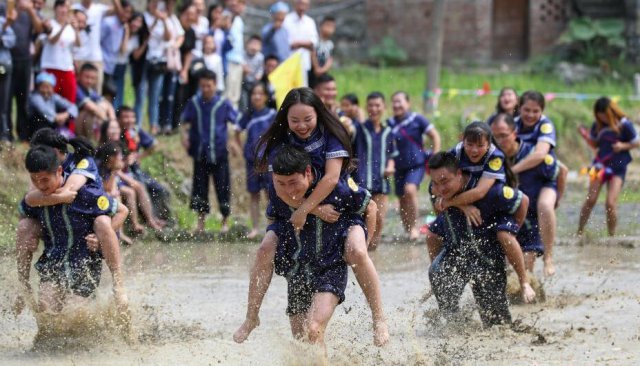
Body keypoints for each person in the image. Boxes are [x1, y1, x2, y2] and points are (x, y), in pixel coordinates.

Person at [235, 88, 389, 347]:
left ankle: (379, 318)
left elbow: (332, 179)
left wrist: (366, 241)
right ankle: (251, 317)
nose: (301, 126)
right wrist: (312, 210)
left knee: (356, 252)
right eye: (295, 121)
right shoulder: (281, 145)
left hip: (336, 217)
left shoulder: (332, 145)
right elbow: (278, 187)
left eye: (307, 119)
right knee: (265, 251)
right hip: (294, 222)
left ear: (318, 114)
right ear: (286, 119)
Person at [16, 144, 129, 315]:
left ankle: (118, 287)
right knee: (46, 312)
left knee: (73, 315)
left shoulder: (85, 194)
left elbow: (122, 211)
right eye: (34, 180)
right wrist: (31, 237)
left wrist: (99, 239)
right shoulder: (37, 200)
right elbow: (23, 216)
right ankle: (23, 288)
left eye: (45, 179)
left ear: (59, 171)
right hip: (53, 263)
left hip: (84, 264)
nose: (40, 185)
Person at [427, 152, 535, 327]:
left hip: (487, 261)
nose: (440, 189)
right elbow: (434, 228)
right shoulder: (437, 192)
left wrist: (512, 231)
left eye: (445, 181)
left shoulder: (491, 192)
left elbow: (523, 200)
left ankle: (523, 283)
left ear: (459, 174)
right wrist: (462, 205)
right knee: (438, 273)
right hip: (457, 253)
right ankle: (454, 322)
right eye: (435, 183)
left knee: (498, 327)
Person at [491, 113, 567, 273]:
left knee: (526, 269)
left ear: (515, 133)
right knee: (503, 272)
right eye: (495, 137)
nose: (499, 141)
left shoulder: (532, 155)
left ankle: (535, 290)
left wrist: (557, 199)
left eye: (504, 136)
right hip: (507, 220)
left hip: (531, 221)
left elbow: (562, 171)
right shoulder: (492, 159)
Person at [180, 69, 238, 233]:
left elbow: (235, 122)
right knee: (200, 188)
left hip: (219, 153)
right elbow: (184, 121)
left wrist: (233, 140)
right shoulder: (195, 103)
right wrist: (183, 136)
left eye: (209, 86)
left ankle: (225, 222)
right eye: (203, 86)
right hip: (200, 153)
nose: (206, 89)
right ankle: (200, 224)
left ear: (215, 85)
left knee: (223, 187)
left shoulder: (223, 104)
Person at [577, 97, 640, 237]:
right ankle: (579, 232)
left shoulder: (624, 125)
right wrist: (585, 136)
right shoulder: (597, 125)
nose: (604, 119)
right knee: (591, 199)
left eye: (606, 116)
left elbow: (636, 142)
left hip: (618, 167)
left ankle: (612, 236)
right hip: (599, 166)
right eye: (600, 117)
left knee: (610, 203)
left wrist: (623, 146)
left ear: (612, 112)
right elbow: (595, 144)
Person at [511, 90, 558, 277]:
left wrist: (512, 170)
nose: (530, 115)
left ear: (542, 111)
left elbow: (539, 155)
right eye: (526, 110)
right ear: (519, 108)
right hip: (521, 185)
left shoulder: (545, 126)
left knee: (545, 206)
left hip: (545, 181)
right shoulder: (512, 126)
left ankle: (548, 257)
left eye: (535, 111)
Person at [345, 92, 397, 250]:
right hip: (360, 182)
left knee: (379, 218)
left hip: (381, 181)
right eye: (371, 105)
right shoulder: (358, 128)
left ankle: (372, 253)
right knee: (362, 217)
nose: (374, 109)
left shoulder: (388, 131)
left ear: (384, 107)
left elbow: (391, 154)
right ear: (366, 108)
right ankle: (361, 250)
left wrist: (391, 166)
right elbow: (349, 130)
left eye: (377, 105)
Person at [387, 91, 440, 240]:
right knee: (402, 198)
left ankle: (414, 228)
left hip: (416, 164)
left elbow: (434, 135)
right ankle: (408, 229)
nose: (397, 105)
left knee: (409, 191)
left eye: (400, 101)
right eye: (394, 102)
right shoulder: (389, 123)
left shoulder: (417, 119)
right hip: (398, 167)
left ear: (408, 103)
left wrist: (435, 156)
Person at [234, 82, 275, 239]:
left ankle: (271, 227)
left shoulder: (272, 114)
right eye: (254, 94)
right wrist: (239, 148)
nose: (256, 96)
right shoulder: (248, 115)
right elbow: (236, 132)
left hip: (269, 161)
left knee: (269, 194)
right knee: (253, 194)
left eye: (260, 93)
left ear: (266, 96)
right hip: (252, 161)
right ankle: (255, 228)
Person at [435, 122, 507, 212]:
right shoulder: (455, 153)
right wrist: (463, 207)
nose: (474, 150)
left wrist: (447, 203)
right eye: (469, 145)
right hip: (463, 198)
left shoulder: (495, 156)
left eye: (480, 145)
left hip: (491, 198)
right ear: (462, 140)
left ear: (488, 145)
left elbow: (480, 192)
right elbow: (435, 184)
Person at [71, 0, 125, 94]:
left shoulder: (99, 9)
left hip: (95, 57)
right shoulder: (73, 8)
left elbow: (119, 13)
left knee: (96, 91)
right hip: (77, 56)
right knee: (76, 90)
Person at [9, 0, 42, 142]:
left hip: (25, 61)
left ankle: (23, 134)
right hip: (8, 60)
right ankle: (6, 133)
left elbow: (39, 29)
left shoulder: (31, 12)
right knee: (6, 101)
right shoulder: (7, 8)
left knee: (23, 99)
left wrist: (30, 10)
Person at [40, 0, 81, 108]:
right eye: (61, 7)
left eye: (67, 7)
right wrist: (64, 27)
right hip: (51, 67)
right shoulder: (49, 23)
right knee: (49, 100)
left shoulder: (71, 27)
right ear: (55, 8)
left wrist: (76, 30)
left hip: (67, 68)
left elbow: (78, 44)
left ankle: (69, 125)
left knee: (70, 100)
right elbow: (52, 41)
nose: (64, 10)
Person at [143, 0, 172, 135]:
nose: (156, 6)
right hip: (145, 60)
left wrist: (165, 20)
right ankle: (138, 124)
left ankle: (153, 125)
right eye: (153, 3)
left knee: (155, 95)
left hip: (159, 61)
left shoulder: (165, 18)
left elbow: (168, 37)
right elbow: (146, 35)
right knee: (141, 94)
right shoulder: (144, 17)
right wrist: (155, 20)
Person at [100, 0, 133, 110]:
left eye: (129, 13)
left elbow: (123, 50)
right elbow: (98, 40)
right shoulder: (108, 22)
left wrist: (127, 32)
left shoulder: (122, 26)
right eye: (125, 11)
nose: (127, 15)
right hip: (102, 64)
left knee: (110, 94)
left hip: (111, 66)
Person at [28, 71, 78, 139]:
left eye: (48, 87)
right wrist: (56, 117)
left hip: (53, 125)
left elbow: (73, 106)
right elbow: (43, 110)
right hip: (37, 128)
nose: (45, 90)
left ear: (53, 88)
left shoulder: (54, 97)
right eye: (43, 87)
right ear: (38, 87)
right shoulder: (35, 97)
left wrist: (66, 115)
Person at [75, 63, 115, 140]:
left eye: (92, 78)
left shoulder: (90, 90)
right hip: (75, 123)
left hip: (87, 122)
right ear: (79, 76)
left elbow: (107, 104)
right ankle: (96, 141)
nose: (89, 81)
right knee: (92, 113)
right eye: (87, 77)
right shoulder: (77, 88)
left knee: (102, 105)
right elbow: (90, 107)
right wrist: (108, 124)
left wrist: (113, 121)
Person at [283, 0, 317, 87]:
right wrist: (305, 44)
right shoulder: (286, 20)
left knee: (302, 90)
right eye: (300, 3)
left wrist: (298, 43)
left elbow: (314, 42)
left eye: (305, 4)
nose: (302, 6)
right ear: (295, 3)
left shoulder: (310, 22)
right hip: (288, 62)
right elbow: (284, 42)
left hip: (304, 62)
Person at [223, 0, 245, 109]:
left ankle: (231, 122)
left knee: (235, 94)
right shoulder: (225, 15)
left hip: (238, 60)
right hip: (228, 59)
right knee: (227, 92)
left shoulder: (239, 20)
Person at [0, 7, 17, 142]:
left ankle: (4, 135)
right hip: (4, 64)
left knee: (4, 103)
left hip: (3, 65)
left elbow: (11, 41)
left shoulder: (5, 23)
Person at [309, 16, 335, 88]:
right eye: (327, 25)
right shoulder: (315, 41)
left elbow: (330, 59)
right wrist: (316, 68)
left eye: (332, 26)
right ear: (321, 26)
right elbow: (312, 54)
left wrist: (323, 70)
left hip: (323, 73)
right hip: (312, 72)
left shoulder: (331, 44)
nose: (329, 28)